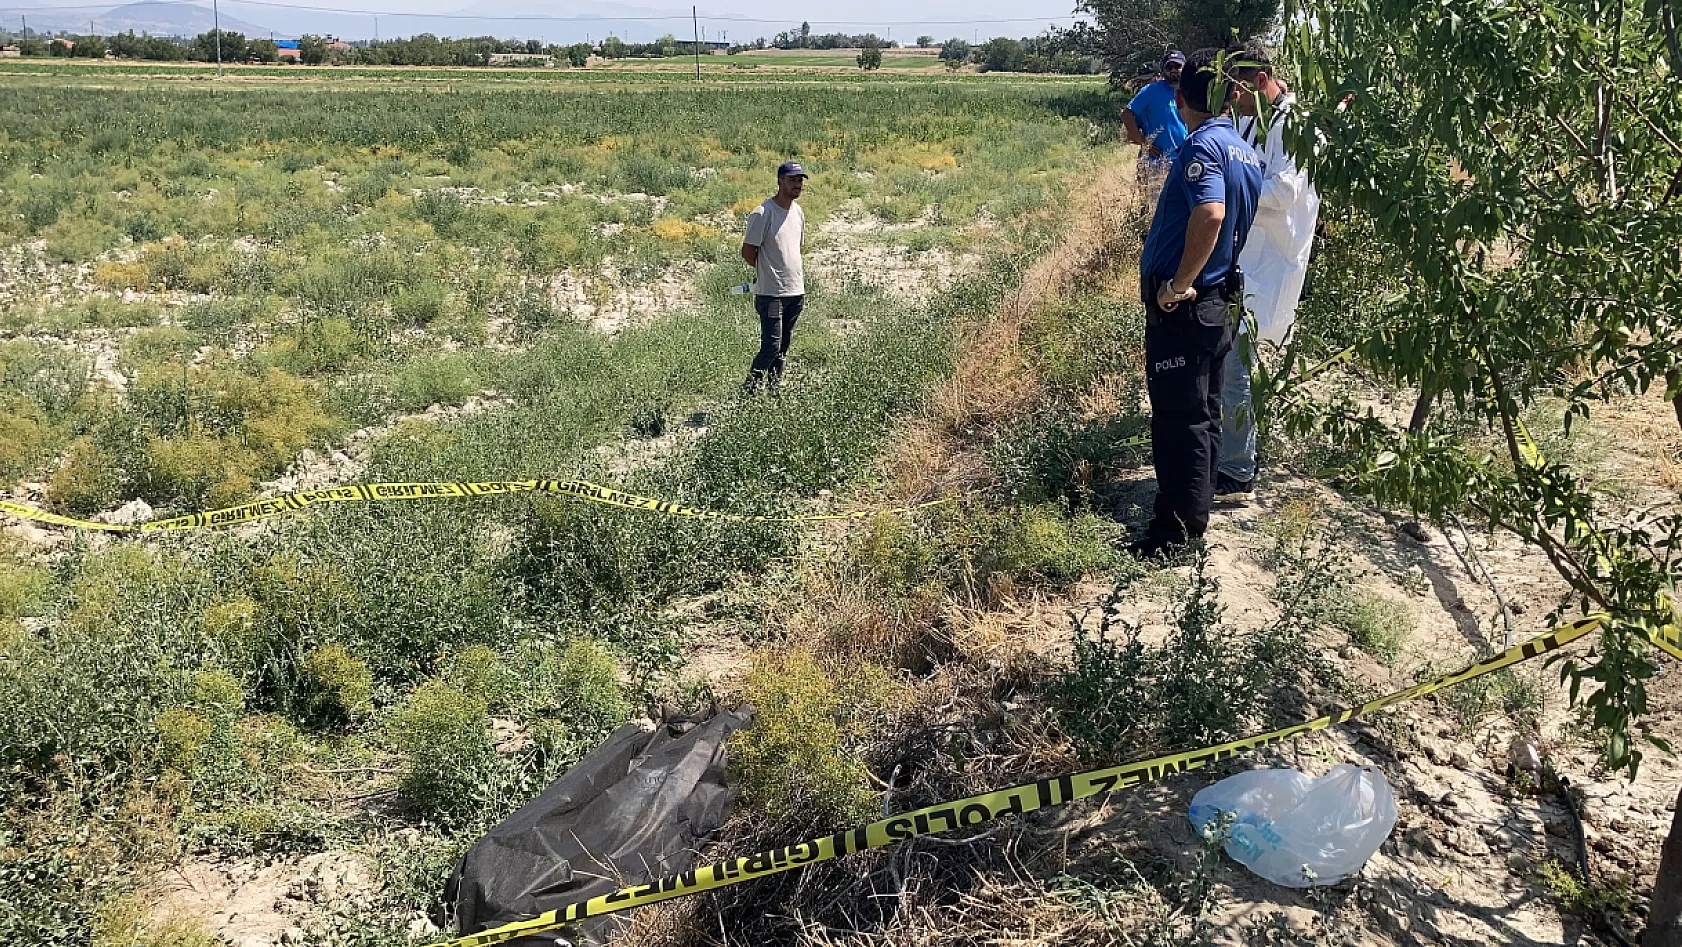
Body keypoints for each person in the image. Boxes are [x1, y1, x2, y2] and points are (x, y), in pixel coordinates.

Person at [1132, 47, 1263, 559]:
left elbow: (1209, 215)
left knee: (1178, 418)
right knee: (1205, 411)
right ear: (1231, 95)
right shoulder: (1243, 151)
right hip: (1219, 301)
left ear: (1181, 94)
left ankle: (1176, 536)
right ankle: (1198, 504)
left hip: (1186, 305)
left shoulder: (1201, 148)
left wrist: (1177, 284)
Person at [1216, 42, 1321, 499]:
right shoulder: (1246, 117)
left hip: (1270, 259)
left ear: (1259, 81)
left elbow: (1281, 193)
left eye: (1234, 91)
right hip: (1240, 255)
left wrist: (1233, 178)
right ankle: (1233, 448)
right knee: (1232, 359)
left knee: (1236, 361)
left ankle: (1238, 469)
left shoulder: (1297, 129)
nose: (1229, 100)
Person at [740, 161, 807, 392]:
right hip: (771, 294)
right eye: (792, 180)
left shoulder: (798, 212)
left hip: (796, 291)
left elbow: (794, 248)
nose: (797, 184)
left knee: (783, 347)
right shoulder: (763, 212)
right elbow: (748, 251)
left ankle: (773, 391)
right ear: (780, 181)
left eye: (800, 180)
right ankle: (748, 394)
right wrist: (764, 272)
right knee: (771, 346)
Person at [1121, 50, 1189, 190]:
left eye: (1177, 66)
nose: (1173, 70)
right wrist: (1144, 143)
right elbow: (1127, 115)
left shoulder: (1191, 90)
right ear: (1163, 71)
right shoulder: (1151, 91)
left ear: (1184, 67)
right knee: (1155, 206)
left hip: (1185, 160)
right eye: (1169, 67)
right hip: (1158, 162)